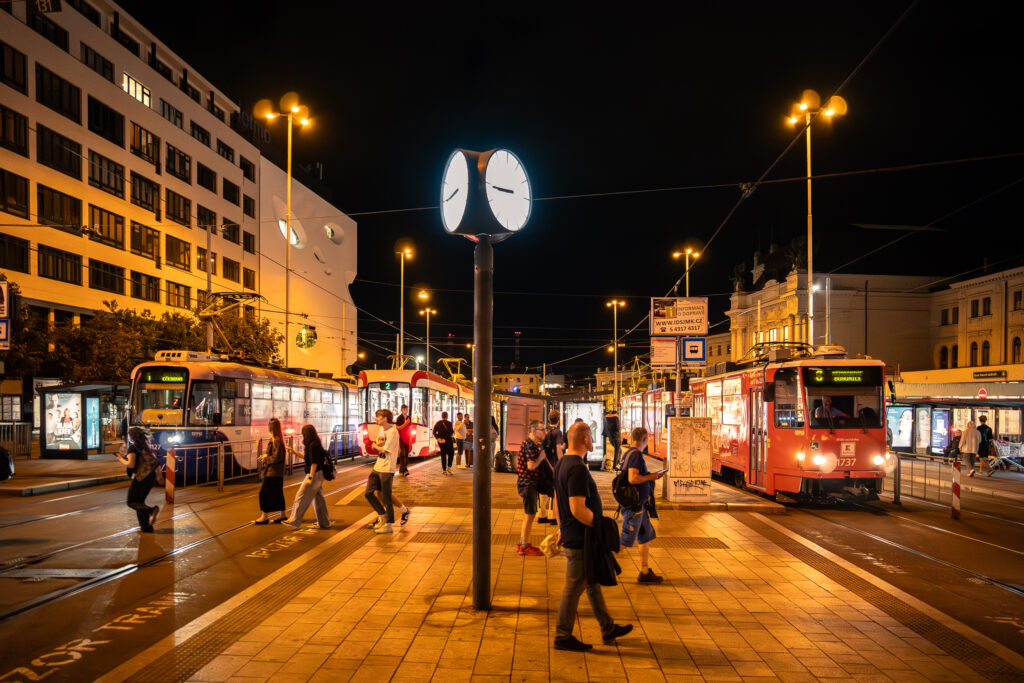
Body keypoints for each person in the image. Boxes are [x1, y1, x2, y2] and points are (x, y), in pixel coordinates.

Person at [553, 422, 632, 651]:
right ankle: (562, 635)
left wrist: (561, 529)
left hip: (572, 534)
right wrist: (601, 527)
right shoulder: (576, 468)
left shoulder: (562, 463)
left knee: (592, 583)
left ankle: (608, 628)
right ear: (585, 438)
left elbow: (558, 504)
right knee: (573, 587)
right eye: (592, 435)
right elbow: (577, 508)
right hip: (580, 539)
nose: (594, 438)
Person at [620, 427, 665, 583]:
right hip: (634, 508)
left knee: (645, 536)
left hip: (639, 506)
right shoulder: (636, 455)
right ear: (644, 439)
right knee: (625, 542)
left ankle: (644, 572)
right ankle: (598, 566)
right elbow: (633, 478)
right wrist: (651, 476)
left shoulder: (628, 453)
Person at [364, 409, 410, 533]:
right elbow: (383, 446)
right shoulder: (381, 430)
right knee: (369, 493)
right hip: (378, 466)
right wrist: (378, 446)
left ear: (385, 418)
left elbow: (385, 449)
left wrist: (375, 446)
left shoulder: (393, 432)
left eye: (378, 417)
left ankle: (388, 525)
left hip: (387, 468)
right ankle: (383, 515)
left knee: (385, 496)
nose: (376, 419)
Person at [282, 425, 331, 530]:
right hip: (318, 474)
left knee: (301, 496)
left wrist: (310, 478)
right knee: (318, 500)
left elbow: (314, 463)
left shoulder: (313, 445)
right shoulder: (314, 444)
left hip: (314, 474)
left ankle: (294, 520)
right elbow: (307, 457)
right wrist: (293, 452)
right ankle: (324, 523)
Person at [115, 427, 160, 533]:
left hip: (140, 478)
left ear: (132, 437)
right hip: (150, 477)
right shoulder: (145, 447)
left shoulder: (133, 448)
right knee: (139, 502)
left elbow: (131, 464)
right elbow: (154, 461)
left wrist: (121, 459)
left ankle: (151, 510)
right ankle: (146, 527)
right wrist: (159, 475)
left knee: (131, 502)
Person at [516, 420, 548, 556]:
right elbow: (531, 466)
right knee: (530, 514)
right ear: (534, 431)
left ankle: (523, 542)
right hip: (528, 483)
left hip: (527, 483)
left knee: (529, 514)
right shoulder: (530, 445)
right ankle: (524, 546)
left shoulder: (531, 444)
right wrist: (541, 458)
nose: (545, 432)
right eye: (543, 430)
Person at [254, 418, 287, 524]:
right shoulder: (276, 439)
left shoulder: (276, 440)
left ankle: (264, 516)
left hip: (272, 472)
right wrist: (266, 456)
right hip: (276, 472)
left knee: (263, 493)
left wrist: (265, 459)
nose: (268, 426)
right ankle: (282, 515)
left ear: (272, 427)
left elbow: (276, 457)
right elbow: (276, 455)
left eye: (269, 425)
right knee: (278, 493)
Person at [538, 410, 563, 525]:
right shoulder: (557, 432)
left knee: (544, 489)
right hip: (554, 464)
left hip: (544, 463)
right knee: (554, 490)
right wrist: (562, 462)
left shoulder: (545, 431)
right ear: (558, 419)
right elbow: (558, 449)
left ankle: (541, 515)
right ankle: (552, 515)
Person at [433, 411, 455, 475]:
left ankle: (444, 470)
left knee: (443, 454)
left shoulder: (438, 423)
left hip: (441, 441)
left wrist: (438, 438)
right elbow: (451, 432)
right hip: (448, 441)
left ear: (441, 416)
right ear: (447, 416)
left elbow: (434, 432)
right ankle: (449, 467)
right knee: (451, 454)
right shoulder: (449, 423)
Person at [396, 404, 411, 476]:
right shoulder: (399, 418)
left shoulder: (408, 417)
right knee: (403, 453)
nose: (405, 411)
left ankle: (401, 469)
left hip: (407, 437)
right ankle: (405, 470)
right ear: (401, 410)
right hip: (400, 438)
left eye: (406, 409)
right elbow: (398, 428)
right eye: (404, 409)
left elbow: (410, 427)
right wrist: (405, 423)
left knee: (406, 454)